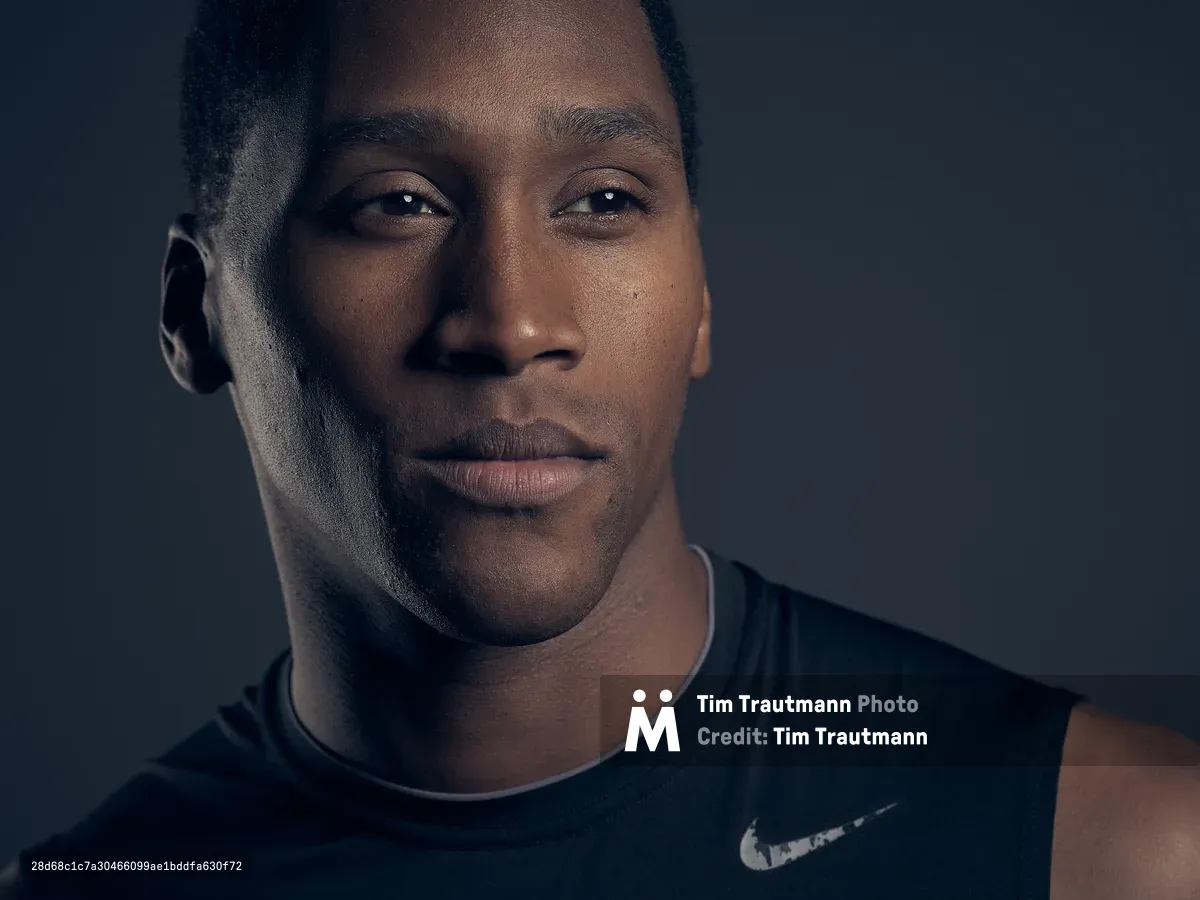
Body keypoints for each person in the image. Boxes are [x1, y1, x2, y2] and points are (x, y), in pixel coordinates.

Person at [4, 0, 1198, 897]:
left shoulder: (1114, 848)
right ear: (193, 310)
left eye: (605, 200)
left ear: (701, 299)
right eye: (399, 202)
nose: (514, 321)